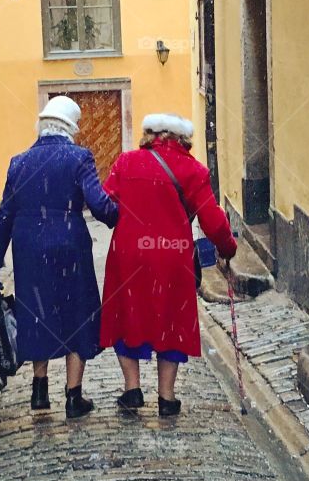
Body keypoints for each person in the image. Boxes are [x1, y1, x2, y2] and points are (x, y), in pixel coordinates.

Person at [0, 95, 118, 420]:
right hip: (69, 245)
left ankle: (40, 390)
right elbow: (100, 205)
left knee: (37, 312)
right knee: (76, 314)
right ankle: (73, 397)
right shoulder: (78, 157)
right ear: (70, 127)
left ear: (41, 125)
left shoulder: (19, 162)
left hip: (29, 250)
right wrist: (119, 215)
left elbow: (3, 217)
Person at [100, 113, 237, 417]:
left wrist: (120, 219)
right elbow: (213, 221)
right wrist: (228, 248)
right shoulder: (193, 170)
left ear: (150, 135)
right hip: (172, 255)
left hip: (129, 253)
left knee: (128, 315)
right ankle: (167, 397)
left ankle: (132, 390)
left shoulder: (126, 162)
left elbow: (106, 202)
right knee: (170, 319)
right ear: (182, 140)